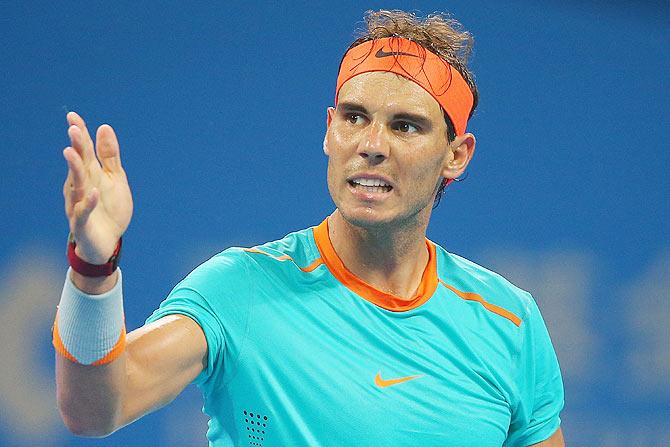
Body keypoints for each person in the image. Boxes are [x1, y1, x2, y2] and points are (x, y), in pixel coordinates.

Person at [55, 10, 565, 447]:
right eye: (354, 117)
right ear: (329, 131)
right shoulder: (238, 289)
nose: (372, 144)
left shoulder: (510, 322)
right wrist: (92, 267)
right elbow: (96, 408)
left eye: (405, 126)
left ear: (456, 155)